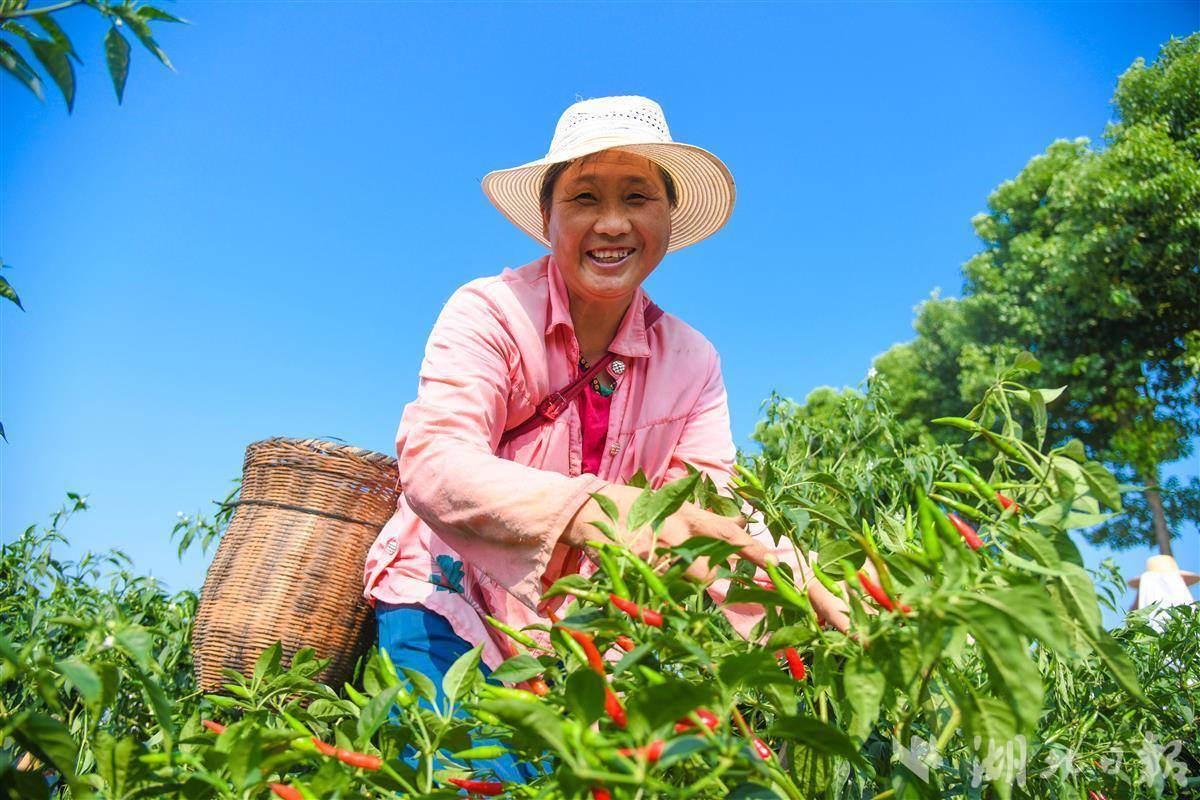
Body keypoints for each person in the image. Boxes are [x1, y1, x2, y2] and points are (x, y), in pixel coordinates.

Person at [361, 95, 851, 782]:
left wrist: (798, 581)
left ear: (668, 219)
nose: (612, 222)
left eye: (638, 196)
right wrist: (607, 513)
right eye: (585, 196)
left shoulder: (692, 360)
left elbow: (715, 507)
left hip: (574, 629)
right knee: (476, 779)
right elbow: (437, 465)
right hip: (445, 600)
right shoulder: (490, 313)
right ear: (547, 218)